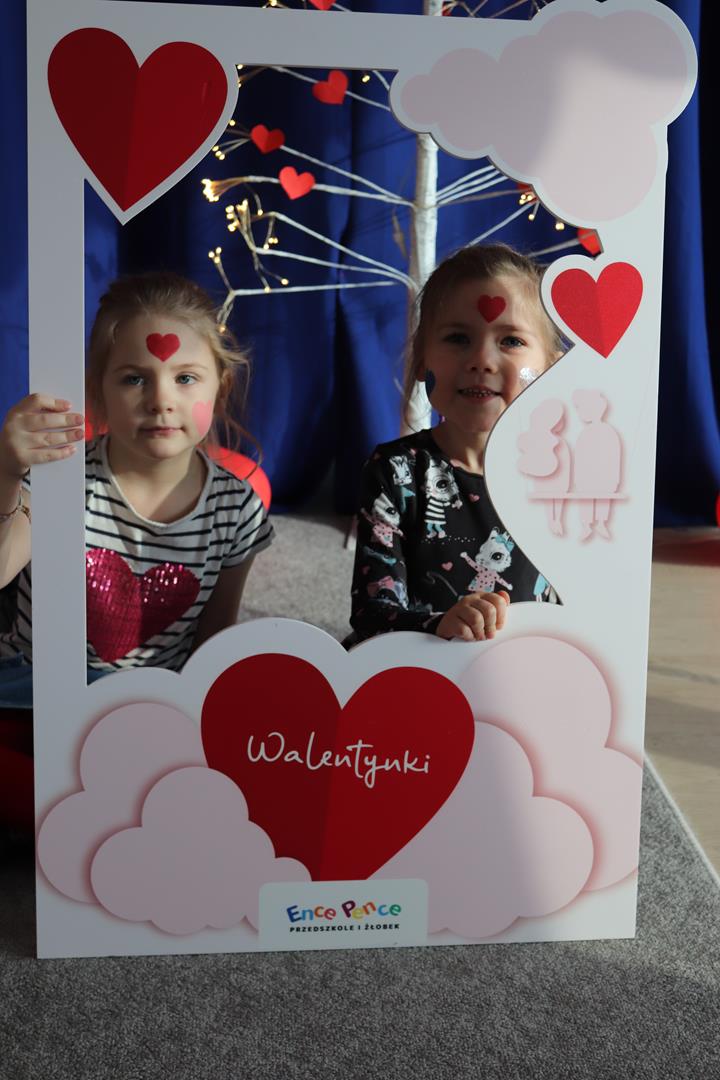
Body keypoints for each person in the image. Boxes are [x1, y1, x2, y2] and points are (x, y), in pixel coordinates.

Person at [0, 272, 273, 830]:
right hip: (30, 693)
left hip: (144, 711)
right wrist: (7, 470)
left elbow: (212, 643)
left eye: (186, 378)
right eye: (133, 378)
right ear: (98, 391)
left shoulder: (236, 508)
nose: (161, 401)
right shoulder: (62, 479)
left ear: (219, 389)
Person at [348, 243, 563, 646]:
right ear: (422, 359)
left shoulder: (564, 477)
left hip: (524, 671)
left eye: (511, 341)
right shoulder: (396, 471)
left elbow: (589, 606)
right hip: (418, 671)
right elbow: (371, 615)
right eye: (458, 338)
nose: (481, 359)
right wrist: (438, 625)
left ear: (551, 367)